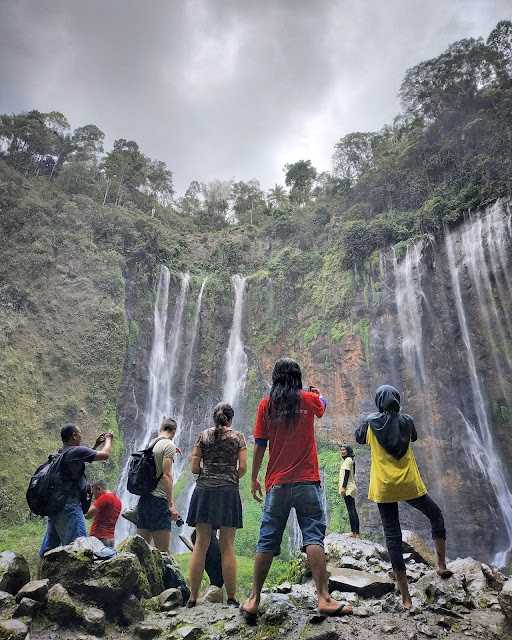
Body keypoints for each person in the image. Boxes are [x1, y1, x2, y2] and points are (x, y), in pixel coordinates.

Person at [241, 358, 352, 623]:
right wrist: (317, 394)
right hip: (307, 482)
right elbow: (322, 406)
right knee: (313, 536)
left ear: (276, 378)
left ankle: (254, 599)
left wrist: (254, 477)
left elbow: (258, 444)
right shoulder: (307, 399)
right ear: (297, 377)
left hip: (277, 484)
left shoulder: (266, 404)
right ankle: (324, 598)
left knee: (267, 539)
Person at [355, 384, 452, 610]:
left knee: (393, 535)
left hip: (384, 487)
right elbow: (414, 437)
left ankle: (406, 598)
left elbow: (359, 437)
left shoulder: (370, 424)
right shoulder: (407, 422)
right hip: (409, 484)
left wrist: (372, 417)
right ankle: (441, 564)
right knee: (435, 515)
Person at [186, 403, 247, 608]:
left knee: (201, 544)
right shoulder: (238, 438)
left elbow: (195, 468)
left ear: (214, 418)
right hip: (228, 493)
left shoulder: (202, 436)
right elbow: (243, 468)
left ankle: (192, 597)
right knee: (227, 546)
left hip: (204, 492)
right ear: (231, 418)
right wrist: (229, 477)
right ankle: (231, 598)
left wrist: (208, 474)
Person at [38, 424, 113, 558]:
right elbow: (105, 455)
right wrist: (108, 439)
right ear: (74, 435)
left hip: (56, 507)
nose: (81, 435)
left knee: (47, 551)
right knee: (80, 550)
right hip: (69, 508)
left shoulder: (61, 453)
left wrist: (94, 446)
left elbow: (80, 459)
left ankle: (39, 578)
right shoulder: (76, 451)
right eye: (79, 433)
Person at [136, 417, 180, 552]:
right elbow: (166, 475)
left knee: (142, 551)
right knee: (163, 552)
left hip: (144, 500)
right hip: (158, 502)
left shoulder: (151, 444)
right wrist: (171, 505)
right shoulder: (169, 445)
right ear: (173, 431)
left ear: (161, 429)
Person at [86, 481, 122, 547]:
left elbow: (87, 515)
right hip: (110, 540)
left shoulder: (104, 497)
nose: (94, 497)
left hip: (99, 539)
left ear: (99, 489)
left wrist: (87, 502)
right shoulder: (118, 501)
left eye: (94, 493)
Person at [339, 444, 360, 538]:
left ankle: (354, 532)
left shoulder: (347, 460)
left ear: (348, 451)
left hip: (348, 488)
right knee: (353, 509)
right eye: (341, 450)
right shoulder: (351, 460)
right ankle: (357, 532)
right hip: (351, 487)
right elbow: (353, 473)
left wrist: (343, 487)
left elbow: (346, 474)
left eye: (344, 450)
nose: (342, 451)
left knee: (351, 510)